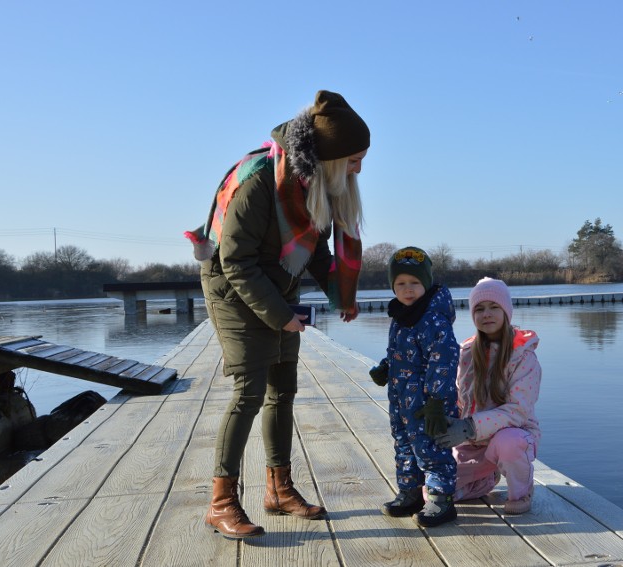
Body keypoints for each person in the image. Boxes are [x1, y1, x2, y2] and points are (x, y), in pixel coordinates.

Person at [191, 90, 370, 540]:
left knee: (282, 390)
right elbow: (236, 263)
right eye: (353, 160)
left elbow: (316, 248)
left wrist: (339, 294)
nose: (359, 169)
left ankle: (278, 490)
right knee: (250, 392)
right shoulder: (260, 182)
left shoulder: (316, 186)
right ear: (328, 157)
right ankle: (221, 502)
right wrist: (280, 315)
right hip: (232, 288)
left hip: (277, 286)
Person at [434, 277, 542, 515]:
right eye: (479, 309)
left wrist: (470, 427)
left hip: (512, 436)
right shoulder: (464, 354)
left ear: (506, 311)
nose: (487, 314)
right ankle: (485, 478)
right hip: (471, 443)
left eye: (494, 307)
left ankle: (521, 491)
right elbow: (458, 401)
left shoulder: (524, 357)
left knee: (510, 443)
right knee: (435, 491)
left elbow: (518, 411)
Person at [368, 247, 460, 527]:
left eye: (415, 283)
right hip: (400, 397)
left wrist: (436, 401)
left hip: (428, 403)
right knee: (404, 444)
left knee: (431, 446)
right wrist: (387, 365)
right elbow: (402, 350)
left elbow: (443, 359)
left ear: (427, 283)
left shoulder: (433, 318)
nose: (408, 290)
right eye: (400, 284)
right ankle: (411, 493)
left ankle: (440, 499)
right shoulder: (401, 316)